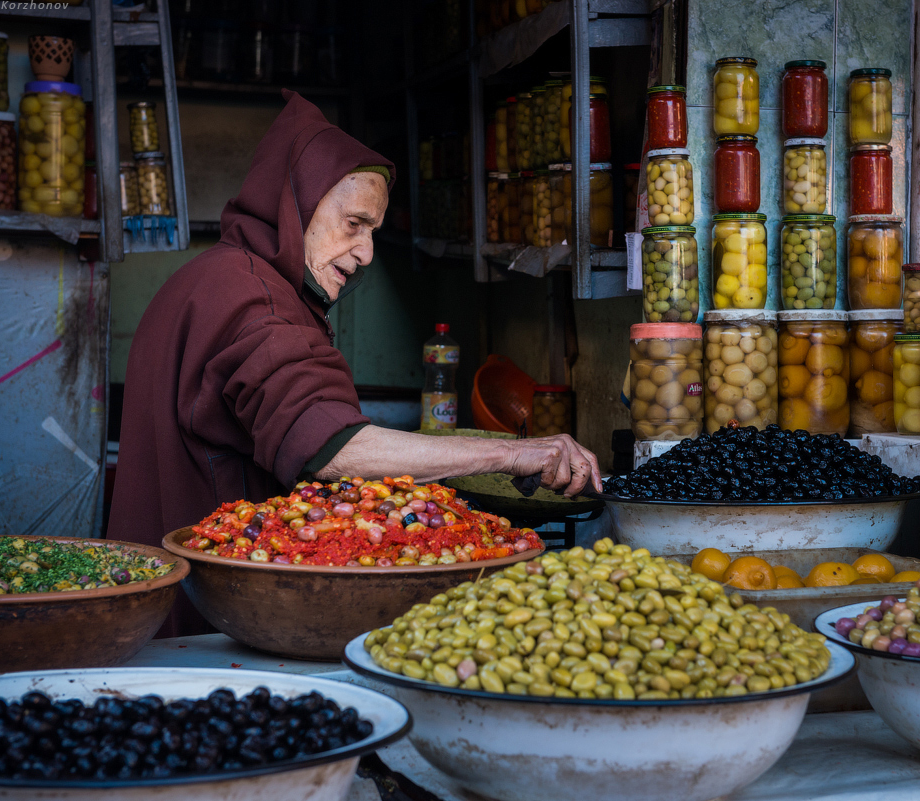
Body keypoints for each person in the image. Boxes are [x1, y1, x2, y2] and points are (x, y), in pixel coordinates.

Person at [109, 92, 600, 635]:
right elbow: (334, 449)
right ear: (292, 207)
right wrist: (513, 455)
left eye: (373, 231)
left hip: (161, 602)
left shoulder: (219, 277)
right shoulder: (251, 299)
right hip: (206, 622)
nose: (366, 253)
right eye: (354, 223)